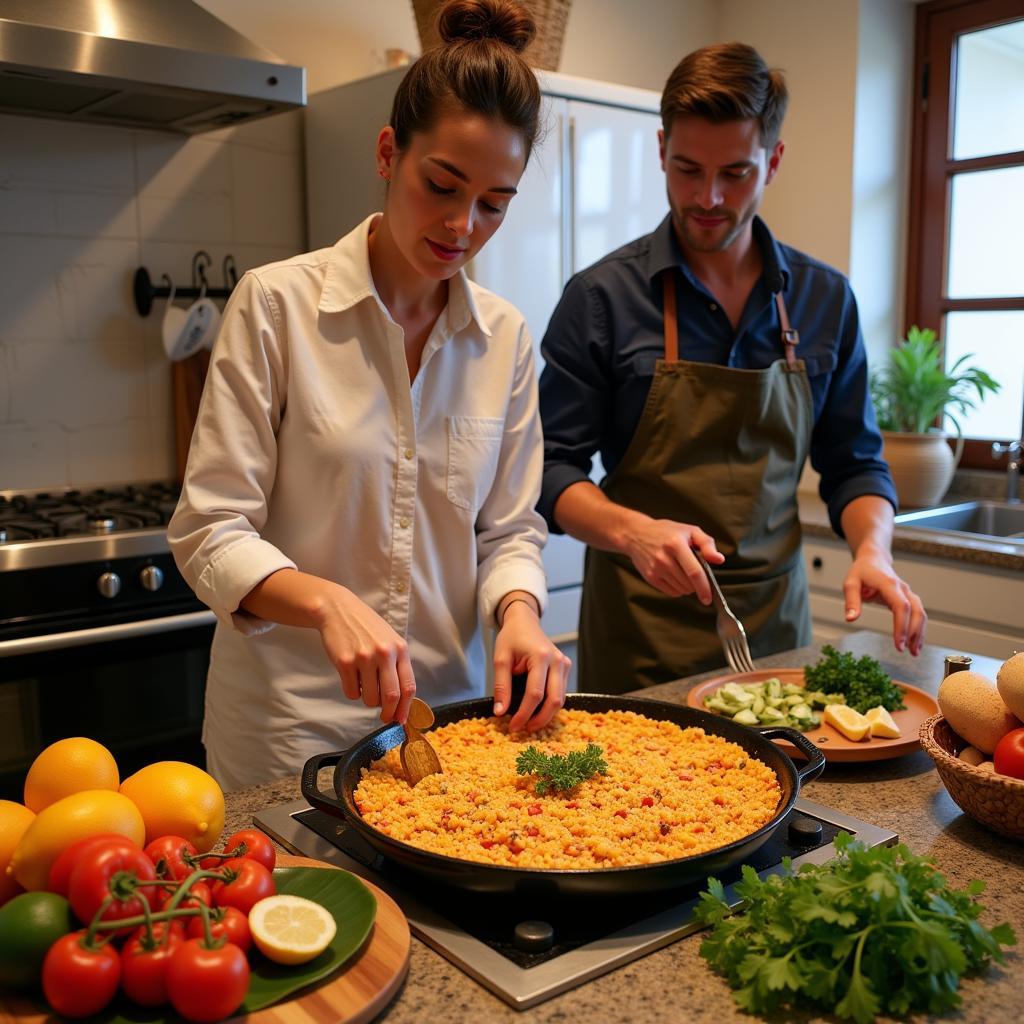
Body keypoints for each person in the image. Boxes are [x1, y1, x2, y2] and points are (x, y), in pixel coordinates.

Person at [169, 0, 570, 790]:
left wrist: (518, 612)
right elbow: (209, 528)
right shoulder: (278, 306)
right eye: (442, 184)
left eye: (495, 203)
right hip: (289, 730)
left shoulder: (506, 337)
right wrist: (324, 602)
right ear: (389, 152)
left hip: (448, 727)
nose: (462, 224)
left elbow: (509, 529)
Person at [537, 42, 926, 693]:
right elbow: (548, 470)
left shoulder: (825, 300)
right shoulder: (601, 298)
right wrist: (632, 532)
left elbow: (854, 463)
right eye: (687, 169)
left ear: (773, 161)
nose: (708, 196)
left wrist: (873, 551)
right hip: (640, 640)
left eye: (735, 174)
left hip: (777, 640)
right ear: (660, 149)